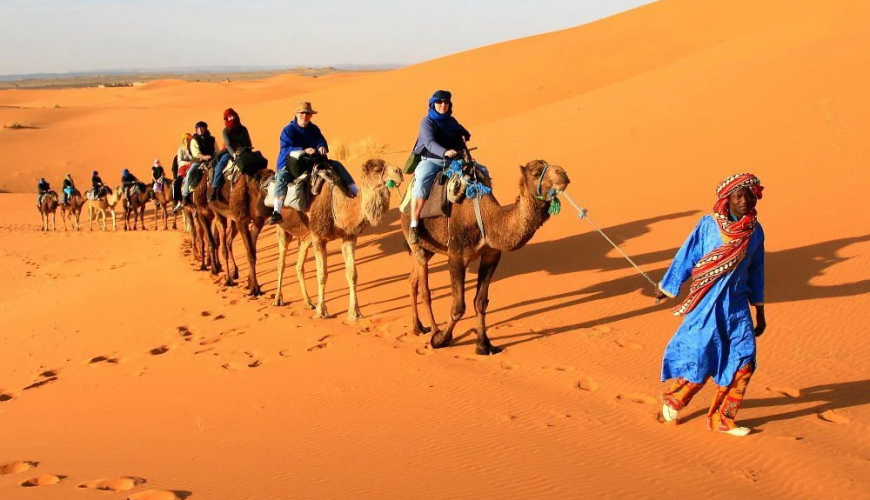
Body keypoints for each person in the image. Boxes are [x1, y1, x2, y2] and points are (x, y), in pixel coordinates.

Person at [654, 173, 766, 437]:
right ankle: (675, 399)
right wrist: (667, 288)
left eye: (749, 195)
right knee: (702, 359)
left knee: (745, 361)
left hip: (738, 307)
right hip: (707, 305)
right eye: (739, 196)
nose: (745, 201)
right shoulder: (708, 226)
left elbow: (757, 269)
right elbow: (686, 255)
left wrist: (759, 309)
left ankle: (723, 419)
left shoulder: (755, 231)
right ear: (727, 200)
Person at [269, 101, 358, 225]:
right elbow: (285, 148)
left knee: (336, 165)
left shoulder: (314, 129)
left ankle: (355, 192)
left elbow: (321, 140)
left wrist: (322, 146)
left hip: (311, 162)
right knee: (282, 177)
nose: (305, 116)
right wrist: (303, 149)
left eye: (308, 113)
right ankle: (276, 212)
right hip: (290, 163)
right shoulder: (288, 130)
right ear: (296, 114)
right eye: (302, 113)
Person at [408, 90, 475, 245]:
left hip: (453, 161)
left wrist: (465, 134)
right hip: (431, 160)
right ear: (432, 104)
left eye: (446, 102)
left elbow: (458, 129)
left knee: (480, 173)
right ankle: (414, 225)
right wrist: (444, 151)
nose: (443, 105)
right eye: (439, 102)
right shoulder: (427, 122)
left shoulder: (451, 121)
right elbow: (429, 142)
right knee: (422, 182)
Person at [210, 108, 252, 201]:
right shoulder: (226, 131)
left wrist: (248, 150)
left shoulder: (243, 129)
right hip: (229, 152)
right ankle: (214, 189)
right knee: (220, 166)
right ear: (226, 119)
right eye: (229, 117)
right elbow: (228, 144)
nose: (232, 118)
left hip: (244, 151)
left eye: (233, 115)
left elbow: (248, 142)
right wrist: (233, 154)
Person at [180, 121, 217, 206]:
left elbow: (216, 150)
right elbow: (196, 153)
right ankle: (185, 195)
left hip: (211, 161)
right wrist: (204, 157)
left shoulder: (212, 139)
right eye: (198, 128)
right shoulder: (194, 139)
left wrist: (214, 157)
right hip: (198, 162)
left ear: (205, 128)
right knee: (189, 174)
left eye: (201, 127)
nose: (199, 130)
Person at [173, 133, 195, 211]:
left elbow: (195, 157)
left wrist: (192, 162)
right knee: (176, 184)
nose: (186, 141)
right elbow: (179, 161)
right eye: (185, 140)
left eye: (188, 139)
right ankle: (179, 201)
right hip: (183, 168)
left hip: (193, 166)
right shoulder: (181, 149)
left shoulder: (193, 147)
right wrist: (186, 163)